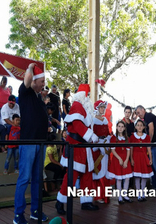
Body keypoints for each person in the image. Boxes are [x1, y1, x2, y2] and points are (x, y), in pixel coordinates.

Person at [55, 84, 99, 215]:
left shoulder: (83, 107)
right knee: (71, 177)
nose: (89, 97)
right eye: (88, 95)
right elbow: (78, 125)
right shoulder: (77, 106)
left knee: (87, 175)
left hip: (83, 147)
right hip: (75, 146)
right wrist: (91, 136)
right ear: (83, 95)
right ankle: (60, 201)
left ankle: (86, 202)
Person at [14, 63, 49, 224]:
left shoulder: (39, 98)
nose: (44, 84)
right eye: (41, 81)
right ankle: (18, 214)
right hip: (28, 142)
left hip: (40, 143)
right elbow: (27, 78)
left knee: (37, 179)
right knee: (24, 178)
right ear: (34, 81)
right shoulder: (25, 92)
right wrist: (29, 67)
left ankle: (35, 210)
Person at [135, 105, 156, 190]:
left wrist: (149, 143)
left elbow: (151, 129)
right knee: (153, 166)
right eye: (137, 113)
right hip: (155, 143)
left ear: (143, 110)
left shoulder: (148, 116)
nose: (138, 114)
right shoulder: (146, 118)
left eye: (139, 112)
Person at [107, 120, 133, 204]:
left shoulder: (127, 138)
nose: (120, 128)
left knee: (127, 178)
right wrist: (119, 159)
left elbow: (128, 150)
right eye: (119, 126)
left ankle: (125, 194)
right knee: (118, 179)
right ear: (117, 127)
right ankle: (120, 196)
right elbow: (113, 150)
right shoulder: (113, 138)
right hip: (117, 159)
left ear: (124, 128)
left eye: (122, 126)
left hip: (125, 159)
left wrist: (126, 160)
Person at [92, 100, 112, 204]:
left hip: (105, 144)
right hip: (97, 146)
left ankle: (106, 195)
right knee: (98, 169)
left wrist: (109, 139)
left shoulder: (105, 120)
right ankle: (98, 195)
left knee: (106, 170)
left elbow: (108, 133)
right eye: (101, 107)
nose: (103, 109)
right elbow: (92, 134)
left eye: (104, 107)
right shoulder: (93, 120)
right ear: (97, 108)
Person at [129, 119, 153, 202]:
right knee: (137, 177)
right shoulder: (132, 137)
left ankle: (143, 193)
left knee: (144, 177)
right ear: (135, 127)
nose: (139, 127)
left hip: (143, 157)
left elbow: (149, 148)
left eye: (141, 125)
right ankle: (138, 194)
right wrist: (131, 158)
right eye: (138, 125)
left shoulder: (147, 137)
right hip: (136, 157)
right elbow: (131, 149)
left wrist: (150, 158)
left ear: (144, 127)